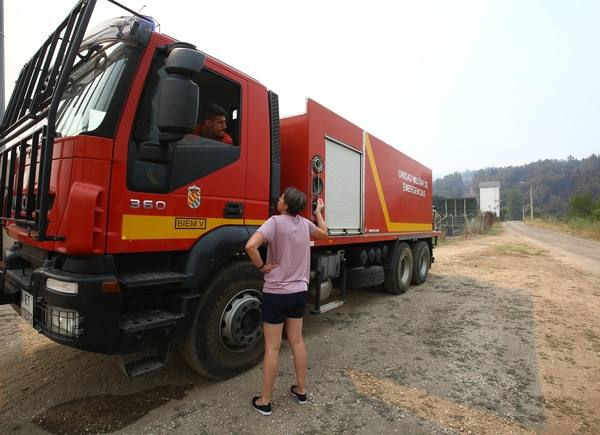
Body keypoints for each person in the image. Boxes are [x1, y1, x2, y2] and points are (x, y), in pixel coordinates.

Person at [245, 187, 328, 416]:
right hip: (298, 293)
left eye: (281, 198)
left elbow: (250, 245)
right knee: (297, 341)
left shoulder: (274, 222)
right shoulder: (305, 224)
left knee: (272, 348)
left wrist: (262, 266)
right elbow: (324, 232)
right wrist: (319, 211)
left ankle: (265, 401)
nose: (278, 200)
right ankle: (301, 390)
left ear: (286, 205)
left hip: (275, 293)